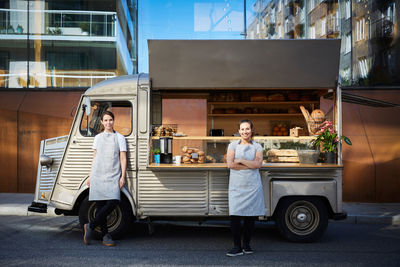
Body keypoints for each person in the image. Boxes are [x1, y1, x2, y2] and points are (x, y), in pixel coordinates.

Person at [83, 110, 127, 247]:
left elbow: (123, 157)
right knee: (100, 206)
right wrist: (90, 176)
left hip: (113, 174)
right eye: (106, 120)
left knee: (113, 201)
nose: (108, 122)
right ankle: (105, 236)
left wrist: (123, 176)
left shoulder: (120, 137)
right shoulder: (98, 138)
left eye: (110, 120)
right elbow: (94, 157)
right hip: (98, 174)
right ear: (102, 122)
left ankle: (90, 225)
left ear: (114, 121)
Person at [226, 119, 266, 256]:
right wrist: (250, 163)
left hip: (252, 186)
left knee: (250, 217)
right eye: (242, 129)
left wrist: (241, 160)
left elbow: (258, 165)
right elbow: (230, 165)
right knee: (235, 216)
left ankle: (247, 245)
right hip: (236, 186)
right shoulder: (232, 145)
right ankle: (237, 246)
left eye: (247, 129)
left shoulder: (258, 146)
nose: (245, 131)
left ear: (252, 130)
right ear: (239, 131)